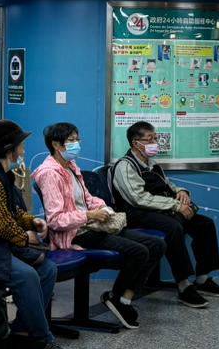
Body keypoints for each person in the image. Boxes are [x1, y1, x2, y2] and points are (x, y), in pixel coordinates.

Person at [33, 122, 164, 330]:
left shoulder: (71, 166)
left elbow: (88, 198)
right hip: (75, 233)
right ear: (56, 145)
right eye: (71, 140)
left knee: (156, 245)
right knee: (139, 251)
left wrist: (103, 209)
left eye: (77, 139)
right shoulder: (49, 173)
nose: (77, 144)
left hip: (92, 225)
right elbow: (56, 219)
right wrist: (89, 215)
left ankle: (123, 297)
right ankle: (117, 299)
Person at [0, 120, 67, 349]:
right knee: (27, 275)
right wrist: (24, 237)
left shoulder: (2, 173)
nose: (23, 150)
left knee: (48, 269)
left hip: (0, 244)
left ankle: (21, 330)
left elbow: (12, 212)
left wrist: (32, 222)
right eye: (20, 145)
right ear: (9, 149)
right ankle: (42, 339)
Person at [112, 121, 219, 309]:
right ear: (135, 143)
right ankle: (183, 285)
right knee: (174, 227)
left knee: (204, 224)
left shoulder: (153, 164)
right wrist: (175, 205)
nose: (155, 143)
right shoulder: (125, 166)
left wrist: (181, 192)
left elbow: (167, 185)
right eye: (150, 139)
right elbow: (138, 198)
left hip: (160, 209)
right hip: (136, 214)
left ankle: (203, 278)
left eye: (155, 138)